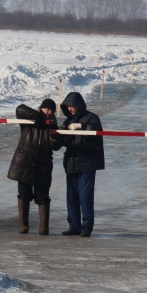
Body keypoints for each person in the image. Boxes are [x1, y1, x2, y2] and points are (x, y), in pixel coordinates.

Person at [50, 92, 104, 237]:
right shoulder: (68, 122)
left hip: (87, 162)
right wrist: (56, 136)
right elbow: (63, 143)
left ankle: (86, 228)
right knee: (72, 196)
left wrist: (81, 126)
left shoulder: (92, 118)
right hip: (72, 163)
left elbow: (97, 133)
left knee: (85, 196)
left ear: (79, 105)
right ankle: (74, 226)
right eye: (68, 107)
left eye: (72, 107)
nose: (70, 110)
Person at [7, 98, 57, 234]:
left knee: (42, 195)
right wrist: (35, 116)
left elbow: (56, 146)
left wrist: (55, 136)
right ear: (41, 108)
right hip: (25, 163)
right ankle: (23, 225)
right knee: (24, 194)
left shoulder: (52, 124)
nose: (49, 112)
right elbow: (19, 108)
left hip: (43, 165)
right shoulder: (28, 121)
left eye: (52, 110)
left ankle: (43, 227)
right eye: (47, 109)